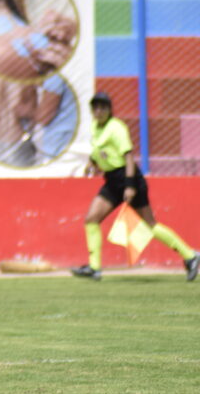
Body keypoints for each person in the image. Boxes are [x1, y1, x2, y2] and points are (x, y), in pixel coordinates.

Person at [72, 92, 199, 281]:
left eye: (103, 107)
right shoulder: (95, 127)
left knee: (149, 225)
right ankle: (94, 267)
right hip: (112, 180)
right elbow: (101, 150)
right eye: (95, 107)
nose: (98, 111)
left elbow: (129, 157)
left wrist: (130, 186)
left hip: (128, 178)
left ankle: (190, 255)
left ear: (109, 110)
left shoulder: (117, 128)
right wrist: (92, 163)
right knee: (91, 218)